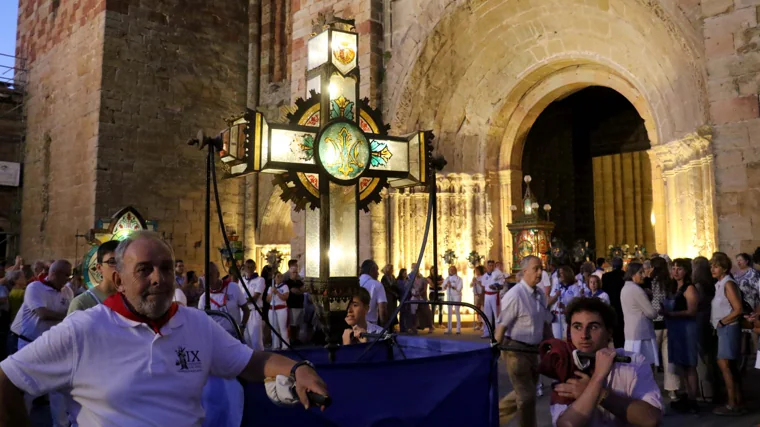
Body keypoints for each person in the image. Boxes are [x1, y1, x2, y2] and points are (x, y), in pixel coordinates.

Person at [0, 232, 328, 425]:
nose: (158, 278)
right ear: (118, 280)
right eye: (144, 269)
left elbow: (249, 361)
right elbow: (7, 380)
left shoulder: (196, 323)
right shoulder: (84, 328)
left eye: (166, 269)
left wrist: (297, 368)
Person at [552, 297, 663, 426]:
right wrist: (596, 382)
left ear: (609, 332)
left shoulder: (634, 362)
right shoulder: (564, 365)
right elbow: (565, 424)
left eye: (593, 327)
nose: (584, 335)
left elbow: (651, 420)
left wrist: (597, 393)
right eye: (577, 327)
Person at [9, 260, 73, 426]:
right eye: (65, 275)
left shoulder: (67, 291)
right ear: (53, 274)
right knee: (27, 389)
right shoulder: (35, 288)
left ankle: (60, 424)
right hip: (29, 344)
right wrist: (68, 316)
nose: (68, 279)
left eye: (69, 274)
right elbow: (42, 313)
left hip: (53, 346)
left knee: (58, 390)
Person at [494, 256, 553, 427]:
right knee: (527, 397)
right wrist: (493, 351)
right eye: (536, 269)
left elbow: (545, 321)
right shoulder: (515, 295)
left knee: (526, 393)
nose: (540, 272)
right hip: (515, 350)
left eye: (541, 268)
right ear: (524, 271)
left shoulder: (540, 295)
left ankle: (493, 416)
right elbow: (502, 325)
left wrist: (554, 346)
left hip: (533, 351)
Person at [660, 258, 699, 413]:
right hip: (675, 329)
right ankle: (686, 394)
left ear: (686, 271)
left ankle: (693, 399)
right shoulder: (673, 288)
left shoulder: (689, 289)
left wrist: (671, 313)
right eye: (673, 268)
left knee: (689, 364)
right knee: (680, 365)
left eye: (679, 269)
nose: (675, 271)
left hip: (686, 329)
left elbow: (692, 311)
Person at [710, 252, 746, 415]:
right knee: (729, 366)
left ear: (724, 268)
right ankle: (737, 400)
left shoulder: (728, 284)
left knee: (725, 365)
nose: (713, 269)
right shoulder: (720, 284)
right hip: (723, 328)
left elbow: (738, 308)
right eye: (711, 266)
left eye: (716, 266)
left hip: (728, 328)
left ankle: (732, 403)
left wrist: (722, 322)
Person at [621, 262, 659, 368]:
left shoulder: (625, 288)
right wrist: (657, 310)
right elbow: (651, 313)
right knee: (644, 367)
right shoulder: (636, 289)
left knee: (634, 367)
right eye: (640, 273)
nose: (643, 275)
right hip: (642, 335)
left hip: (631, 333)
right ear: (633, 274)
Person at [196, 263, 250, 337]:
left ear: (217, 275)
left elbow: (246, 310)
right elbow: (201, 321)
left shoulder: (233, 287)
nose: (208, 278)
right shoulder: (203, 298)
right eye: (205, 275)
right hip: (216, 337)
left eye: (210, 275)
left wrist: (242, 327)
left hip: (234, 335)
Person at [68, 240, 121, 314]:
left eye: (122, 262)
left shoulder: (132, 301)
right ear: (99, 268)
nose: (118, 267)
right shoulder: (82, 303)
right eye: (112, 262)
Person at [692, 256, 717, 402]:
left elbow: (696, 305)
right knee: (710, 356)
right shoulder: (712, 283)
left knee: (702, 357)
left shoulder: (698, 286)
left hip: (700, 321)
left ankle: (706, 392)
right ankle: (713, 389)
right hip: (710, 320)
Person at [547, 266, 583, 340]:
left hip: (567, 316)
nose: (561, 275)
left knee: (568, 338)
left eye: (563, 273)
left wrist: (564, 307)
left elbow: (577, 304)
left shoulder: (574, 287)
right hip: (556, 316)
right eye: (559, 273)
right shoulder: (557, 286)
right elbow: (548, 302)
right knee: (557, 339)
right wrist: (556, 295)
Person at [240, 260, 265, 351]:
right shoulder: (242, 280)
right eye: (247, 267)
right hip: (243, 312)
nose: (249, 269)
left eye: (251, 267)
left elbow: (255, 297)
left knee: (256, 340)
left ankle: (260, 361)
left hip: (254, 311)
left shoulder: (260, 280)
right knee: (246, 339)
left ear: (255, 268)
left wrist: (242, 301)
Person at [602, 258, 626, 348]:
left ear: (612, 265)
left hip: (612, 304)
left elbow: (604, 290)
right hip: (623, 305)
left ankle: (618, 347)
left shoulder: (606, 276)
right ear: (622, 265)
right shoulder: (625, 275)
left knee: (616, 328)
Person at [283, 260, 306, 345]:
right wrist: (300, 290)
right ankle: (292, 339)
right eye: (293, 272)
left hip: (300, 305)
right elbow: (294, 291)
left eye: (296, 272)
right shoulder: (288, 283)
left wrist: (300, 290)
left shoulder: (299, 282)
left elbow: (304, 289)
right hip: (292, 305)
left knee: (298, 323)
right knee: (293, 323)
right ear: (290, 273)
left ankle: (296, 338)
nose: (295, 274)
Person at [359, 260, 387, 326]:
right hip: (370, 325)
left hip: (355, 325)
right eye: (377, 270)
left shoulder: (355, 282)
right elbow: (382, 309)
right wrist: (384, 325)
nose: (378, 273)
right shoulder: (377, 285)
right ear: (372, 269)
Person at [266, 271, 290, 350]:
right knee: (274, 327)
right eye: (277, 276)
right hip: (272, 308)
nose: (279, 278)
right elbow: (267, 300)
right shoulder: (271, 287)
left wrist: (277, 292)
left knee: (282, 327)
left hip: (281, 308)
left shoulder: (285, 286)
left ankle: (285, 345)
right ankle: (275, 344)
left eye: (280, 276)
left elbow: (285, 297)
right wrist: (271, 293)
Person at [5, 271, 25, 356]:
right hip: (19, 329)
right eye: (22, 277)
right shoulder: (22, 293)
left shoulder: (11, 292)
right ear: (16, 280)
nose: (25, 278)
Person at [482, 260, 502, 338]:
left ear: (494, 266)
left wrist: (495, 287)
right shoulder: (484, 275)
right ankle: (487, 332)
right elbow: (483, 285)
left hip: (494, 295)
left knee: (497, 315)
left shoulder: (498, 274)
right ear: (487, 266)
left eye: (492, 265)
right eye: (489, 265)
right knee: (487, 314)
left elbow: (502, 285)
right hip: (487, 295)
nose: (490, 267)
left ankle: (498, 333)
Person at [411, 263, 434, 334]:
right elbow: (410, 287)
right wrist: (413, 293)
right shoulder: (411, 278)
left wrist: (420, 294)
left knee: (426, 312)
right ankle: (414, 327)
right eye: (413, 268)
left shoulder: (423, 279)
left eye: (415, 268)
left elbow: (425, 288)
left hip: (422, 297)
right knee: (414, 313)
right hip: (414, 297)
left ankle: (430, 326)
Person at [442, 265, 463, 335]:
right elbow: (443, 288)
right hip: (449, 296)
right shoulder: (447, 278)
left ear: (455, 270)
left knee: (457, 311)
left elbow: (459, 289)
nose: (451, 271)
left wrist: (452, 286)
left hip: (457, 296)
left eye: (453, 269)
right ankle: (449, 328)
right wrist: (445, 285)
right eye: (450, 269)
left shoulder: (459, 279)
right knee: (449, 312)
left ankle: (458, 328)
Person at [381, 264, 399, 331]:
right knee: (389, 311)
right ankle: (388, 327)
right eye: (390, 269)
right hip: (388, 296)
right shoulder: (384, 278)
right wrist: (393, 293)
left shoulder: (393, 276)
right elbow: (386, 287)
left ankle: (392, 325)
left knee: (393, 311)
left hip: (394, 297)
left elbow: (395, 285)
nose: (392, 270)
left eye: (392, 269)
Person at [472, 265, 485, 331]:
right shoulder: (475, 277)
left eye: (477, 270)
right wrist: (473, 282)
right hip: (476, 294)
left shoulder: (483, 277)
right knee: (477, 310)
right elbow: (471, 285)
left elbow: (483, 286)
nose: (476, 272)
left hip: (481, 294)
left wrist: (477, 282)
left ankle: (483, 323)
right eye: (475, 271)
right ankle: (479, 323)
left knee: (482, 309)